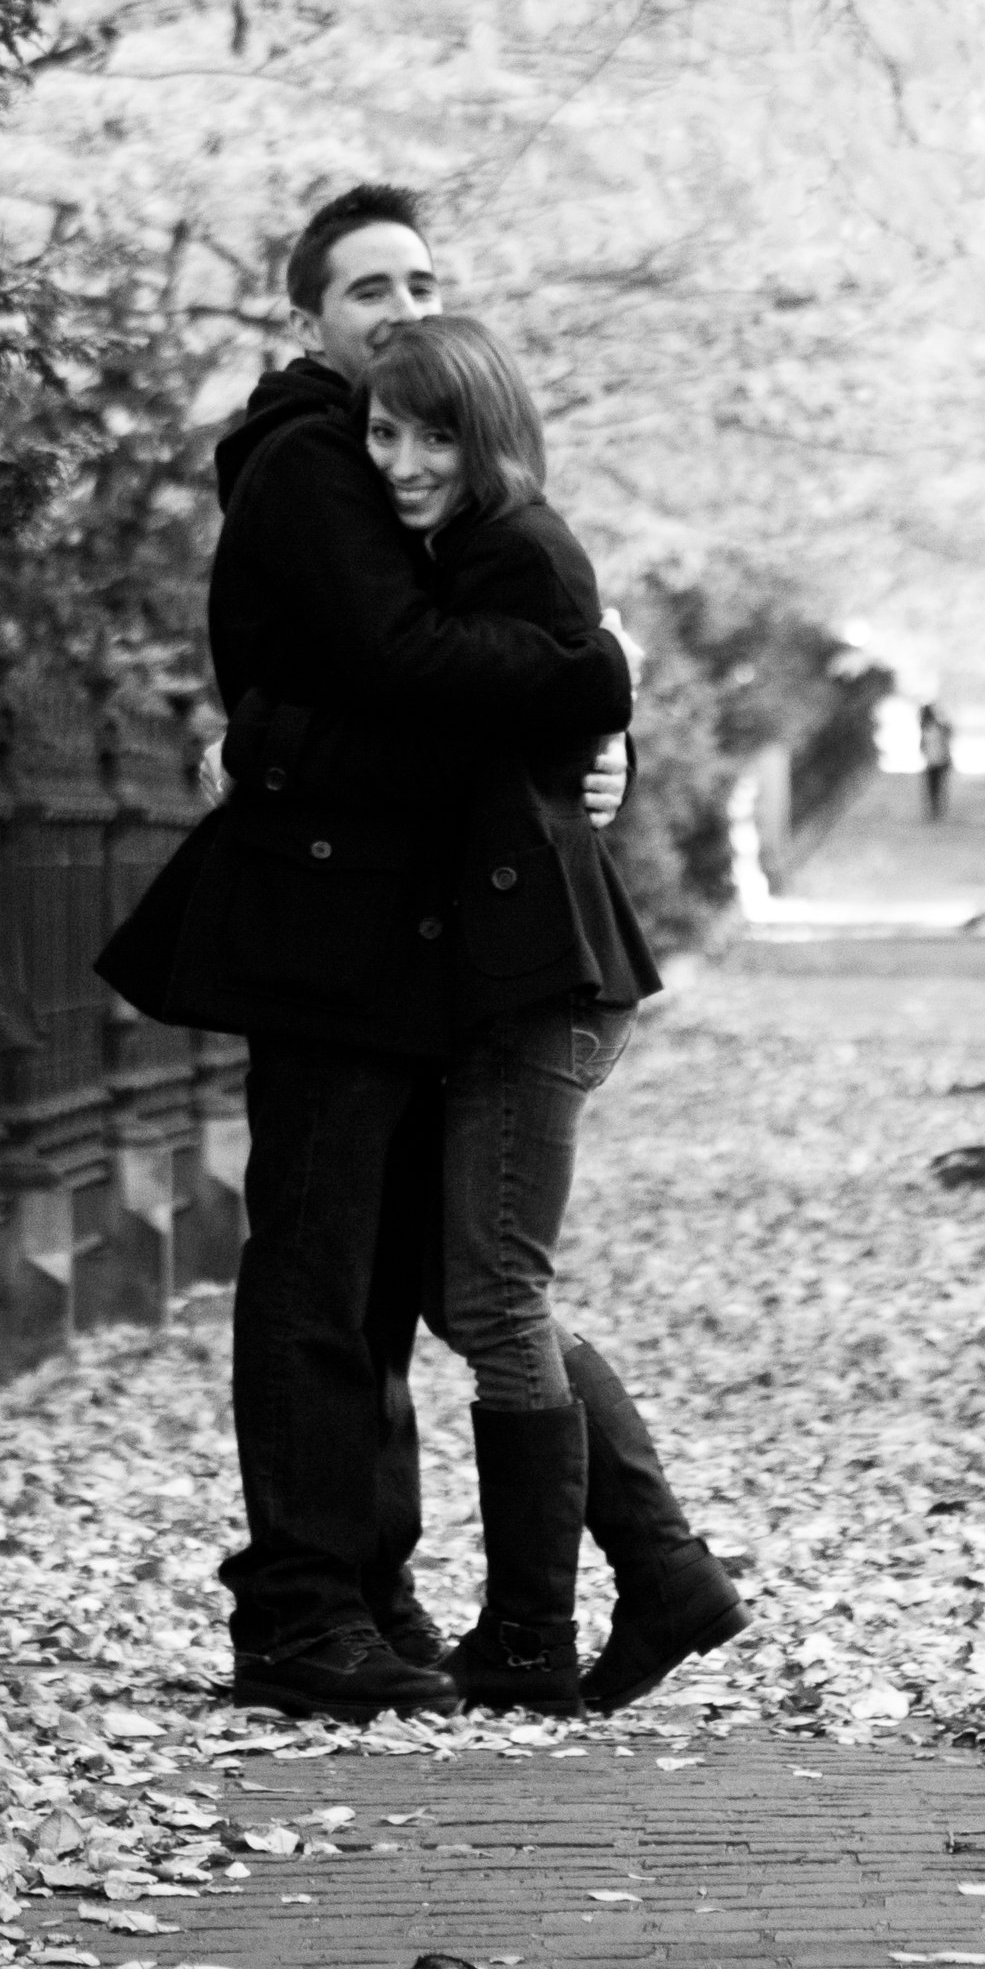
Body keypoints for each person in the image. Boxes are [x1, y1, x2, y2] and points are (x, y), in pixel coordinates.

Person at [97, 183, 738, 1722]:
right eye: (365, 285)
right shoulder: (313, 453)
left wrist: (592, 731)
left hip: (418, 942)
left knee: (430, 1280)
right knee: (340, 1276)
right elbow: (401, 664)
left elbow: (437, 686)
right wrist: (594, 680)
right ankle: (321, 1606)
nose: (396, 304)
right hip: (335, 933)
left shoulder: (430, 478)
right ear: (308, 316)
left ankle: (413, 1591)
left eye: (421, 279)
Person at [361, 314, 741, 1716]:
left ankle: (538, 1625)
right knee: (490, 1296)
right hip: (521, 980)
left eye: (433, 431)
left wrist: (614, 705)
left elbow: (572, 681)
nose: (405, 459)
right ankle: (664, 1573)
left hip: (546, 983)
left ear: (488, 432)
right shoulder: (474, 546)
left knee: (494, 1298)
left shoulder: (512, 546)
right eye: (386, 431)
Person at [918, 697, 954, 824]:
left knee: (936, 787)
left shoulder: (937, 727)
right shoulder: (928, 728)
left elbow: (922, 747)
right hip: (934, 761)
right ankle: (936, 810)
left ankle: (938, 810)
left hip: (938, 761)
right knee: (935, 787)